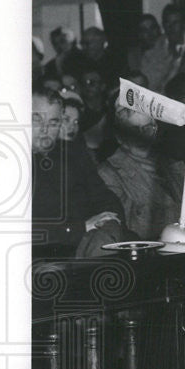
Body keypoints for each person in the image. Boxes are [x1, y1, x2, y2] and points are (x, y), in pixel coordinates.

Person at [97, 105, 185, 240]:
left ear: (155, 131)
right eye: (133, 130)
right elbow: (130, 227)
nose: (141, 134)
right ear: (119, 136)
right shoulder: (109, 173)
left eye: (147, 128)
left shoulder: (173, 165)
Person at [31, 89, 127, 256]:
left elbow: (105, 198)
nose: (45, 129)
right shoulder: (7, 164)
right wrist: (78, 228)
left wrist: (109, 221)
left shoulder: (73, 153)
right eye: (37, 120)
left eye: (53, 122)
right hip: (41, 253)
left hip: (88, 242)